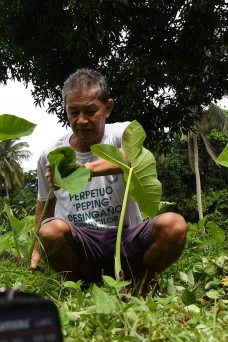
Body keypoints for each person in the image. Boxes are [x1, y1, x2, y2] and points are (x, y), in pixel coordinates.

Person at [31, 68, 188, 290]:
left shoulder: (119, 133)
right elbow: (44, 205)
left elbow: (130, 157)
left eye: (90, 111)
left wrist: (84, 170)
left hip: (126, 238)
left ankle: (141, 284)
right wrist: (36, 249)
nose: (81, 120)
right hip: (82, 244)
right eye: (73, 112)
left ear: (108, 108)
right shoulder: (51, 152)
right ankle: (79, 287)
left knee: (174, 225)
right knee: (49, 231)